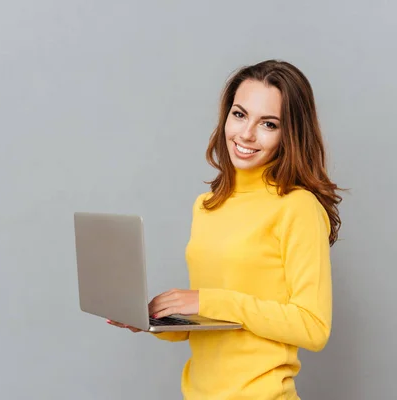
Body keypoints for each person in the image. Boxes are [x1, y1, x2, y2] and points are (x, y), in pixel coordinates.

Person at [108, 59, 342, 400]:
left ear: (289, 133)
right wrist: (155, 320)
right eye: (239, 114)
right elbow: (213, 323)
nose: (246, 134)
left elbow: (313, 326)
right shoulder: (208, 205)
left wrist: (207, 299)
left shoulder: (297, 206)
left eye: (269, 124)